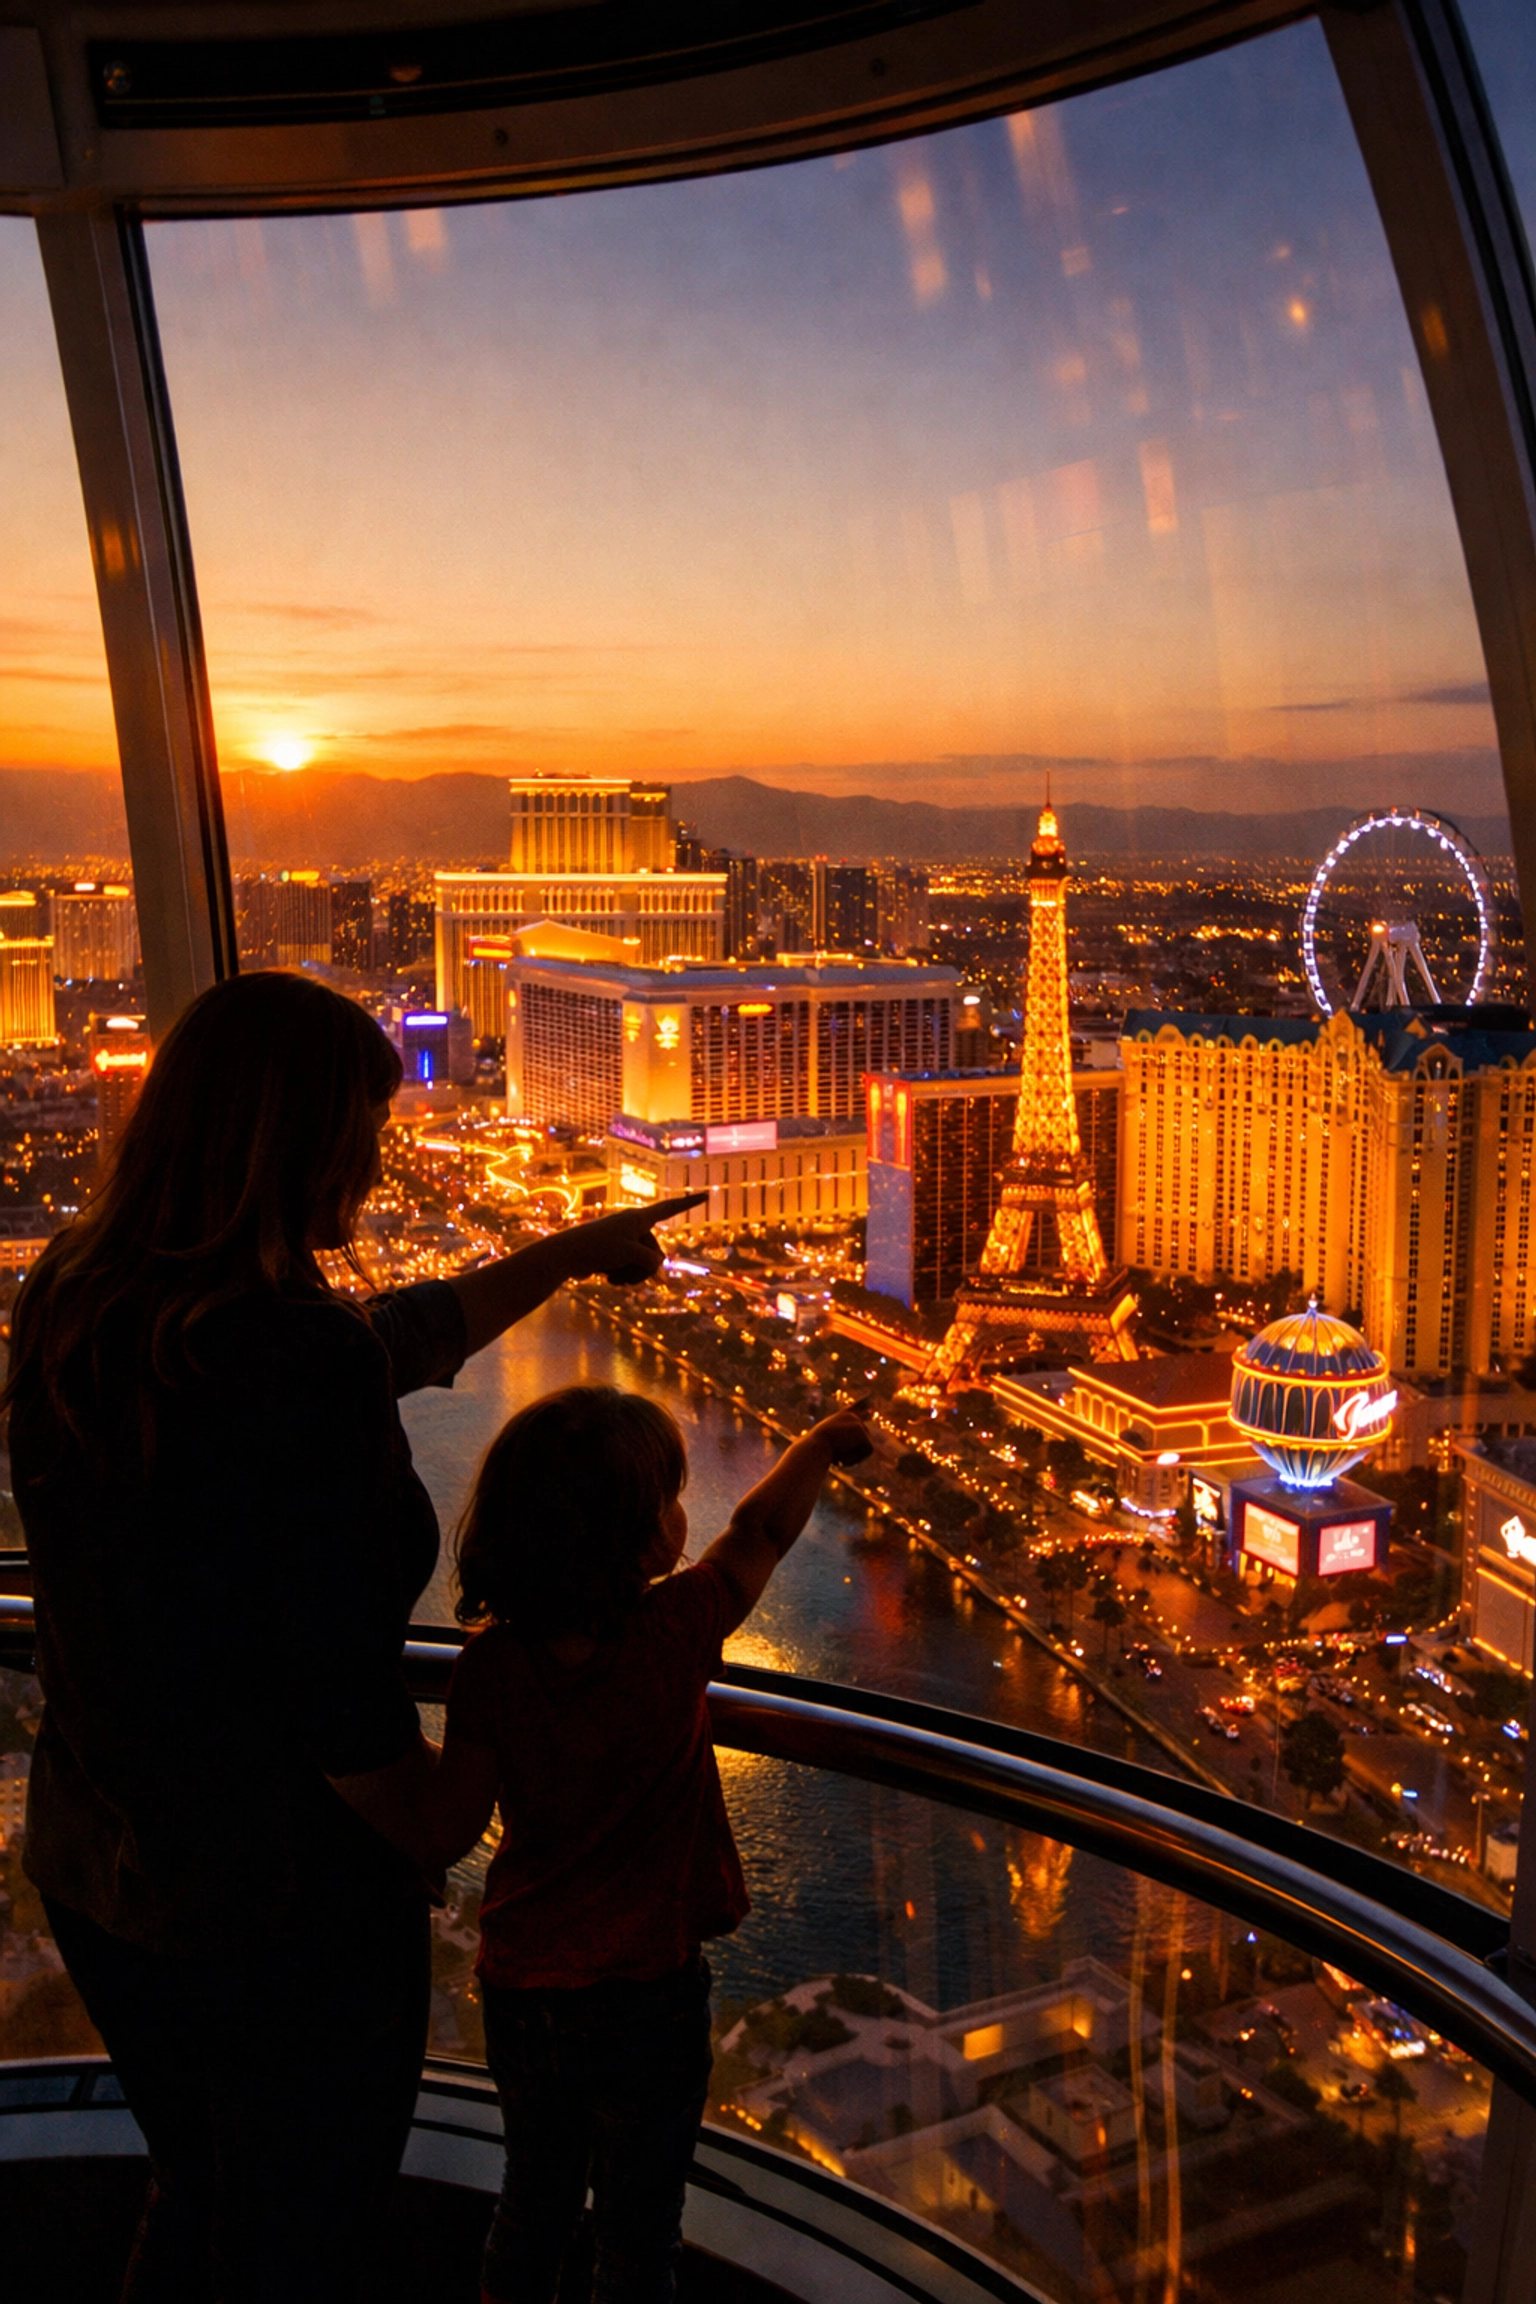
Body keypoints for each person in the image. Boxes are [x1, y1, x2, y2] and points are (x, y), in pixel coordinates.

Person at [0, 970, 701, 2304]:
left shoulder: (79, 1297)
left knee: (206, 2199)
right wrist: (438, 1816)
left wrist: (557, 1256)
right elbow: (331, 1678)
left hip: (102, 1868)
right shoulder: (285, 1356)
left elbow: (375, 1344)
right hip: (276, 1912)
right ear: (286, 1138)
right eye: (362, 1131)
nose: (380, 1160)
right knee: (304, 2236)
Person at [415, 1382, 870, 2304]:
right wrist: (818, 1446)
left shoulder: (491, 1670)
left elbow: (451, 1823)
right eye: (666, 1499)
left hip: (528, 1991)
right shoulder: (675, 1632)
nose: (681, 1516)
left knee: (532, 2203)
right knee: (639, 2232)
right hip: (650, 1992)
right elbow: (758, 1535)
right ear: (634, 1539)